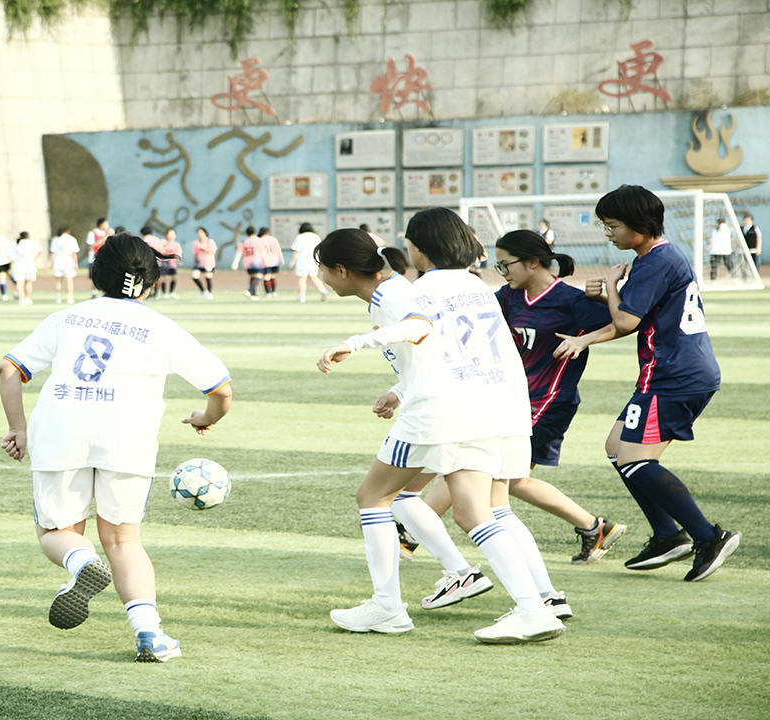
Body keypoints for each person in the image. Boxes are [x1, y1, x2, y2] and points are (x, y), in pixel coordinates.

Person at [317, 213, 565, 644]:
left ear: (419, 248)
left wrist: (353, 344)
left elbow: (419, 328)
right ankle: (535, 606)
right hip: (488, 404)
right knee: (477, 512)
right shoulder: (474, 284)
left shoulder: (416, 289)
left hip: (439, 410)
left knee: (374, 497)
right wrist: (400, 388)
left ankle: (388, 607)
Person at [0, 233, 232, 662]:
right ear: (151, 283)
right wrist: (206, 418)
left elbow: (9, 367)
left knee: (57, 534)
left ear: (95, 275)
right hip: (127, 438)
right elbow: (221, 389)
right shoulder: (162, 328)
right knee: (123, 541)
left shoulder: (67, 317)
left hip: (61, 432)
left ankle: (80, 563)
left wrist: (18, 427)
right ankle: (150, 635)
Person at [555, 185, 740, 582]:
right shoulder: (657, 257)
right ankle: (667, 535)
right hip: (672, 373)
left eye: (613, 225)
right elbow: (633, 312)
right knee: (616, 447)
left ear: (639, 225)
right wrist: (604, 299)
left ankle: (709, 537)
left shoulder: (655, 262)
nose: (608, 233)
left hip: (674, 375)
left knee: (635, 459)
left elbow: (625, 321)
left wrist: (609, 290)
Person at [418, 229, 626, 565]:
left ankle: (410, 534)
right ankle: (594, 527)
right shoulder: (508, 296)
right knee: (511, 479)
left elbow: (622, 323)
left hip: (548, 401)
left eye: (506, 264)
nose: (502, 272)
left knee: (475, 462)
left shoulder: (570, 301)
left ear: (532, 262)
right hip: (513, 398)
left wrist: (589, 328)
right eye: (498, 266)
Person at [289, 223, 327, 302]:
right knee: (313, 276)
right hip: (313, 260)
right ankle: (323, 290)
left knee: (302, 278)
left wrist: (293, 261)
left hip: (303, 260)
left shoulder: (300, 237)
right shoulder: (316, 237)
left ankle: (302, 296)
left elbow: (297, 250)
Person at [49, 226, 80, 304]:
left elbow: (53, 252)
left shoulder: (56, 239)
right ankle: (70, 298)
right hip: (68, 262)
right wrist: (76, 263)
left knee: (58, 280)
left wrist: (50, 262)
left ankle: (58, 298)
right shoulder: (72, 239)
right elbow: (74, 253)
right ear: (68, 231)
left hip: (58, 261)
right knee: (69, 280)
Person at [12, 231, 43, 306]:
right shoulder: (29, 243)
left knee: (19, 283)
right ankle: (27, 298)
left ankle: (21, 299)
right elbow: (40, 249)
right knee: (28, 282)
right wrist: (35, 258)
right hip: (29, 265)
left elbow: (8, 253)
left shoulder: (16, 243)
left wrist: (13, 260)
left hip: (19, 265)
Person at [232, 227, 264, 300]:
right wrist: (266, 260)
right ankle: (249, 290)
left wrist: (235, 263)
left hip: (247, 262)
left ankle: (253, 294)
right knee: (259, 276)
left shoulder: (244, 241)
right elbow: (263, 252)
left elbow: (239, 253)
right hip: (256, 260)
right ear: (255, 232)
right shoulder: (258, 240)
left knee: (253, 276)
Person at [86, 218, 112, 298]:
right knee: (94, 276)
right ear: (101, 224)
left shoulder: (108, 233)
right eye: (106, 224)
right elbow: (92, 245)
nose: (107, 226)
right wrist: (103, 239)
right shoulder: (92, 233)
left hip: (106, 258)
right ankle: (94, 293)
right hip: (94, 258)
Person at [190, 227, 216, 299]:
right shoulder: (196, 243)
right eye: (198, 233)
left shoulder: (209, 241)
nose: (200, 234)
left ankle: (209, 293)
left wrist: (203, 248)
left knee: (208, 277)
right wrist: (194, 262)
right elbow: (196, 253)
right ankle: (203, 290)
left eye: (201, 232)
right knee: (194, 276)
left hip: (208, 262)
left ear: (205, 233)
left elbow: (213, 251)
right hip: (199, 263)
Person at [157, 228, 183, 299]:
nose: (171, 236)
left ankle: (171, 292)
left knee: (175, 277)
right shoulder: (162, 242)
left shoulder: (176, 244)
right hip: (164, 263)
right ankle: (164, 293)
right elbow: (159, 250)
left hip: (172, 263)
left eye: (173, 234)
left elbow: (178, 253)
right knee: (164, 278)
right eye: (170, 234)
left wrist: (180, 260)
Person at [258, 228, 282, 297]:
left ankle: (268, 292)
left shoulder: (260, 240)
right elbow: (278, 250)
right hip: (275, 260)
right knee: (273, 276)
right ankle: (273, 292)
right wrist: (281, 259)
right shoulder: (273, 239)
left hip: (265, 260)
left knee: (266, 277)